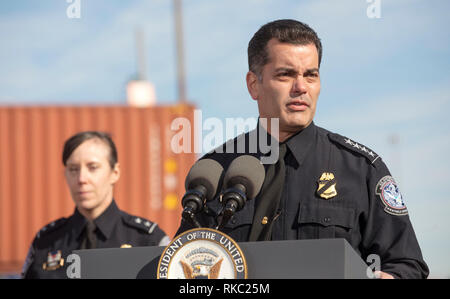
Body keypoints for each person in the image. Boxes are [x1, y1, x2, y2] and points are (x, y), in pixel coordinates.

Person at [175, 19, 429, 279]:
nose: (301, 87)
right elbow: (179, 265)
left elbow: (406, 264)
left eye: (311, 74)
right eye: (285, 74)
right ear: (254, 84)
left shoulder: (361, 169)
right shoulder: (215, 171)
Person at [22, 131, 170, 279]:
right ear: (65, 174)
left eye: (92, 167)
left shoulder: (149, 241)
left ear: (115, 173)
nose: (81, 179)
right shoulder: (45, 243)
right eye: (73, 169)